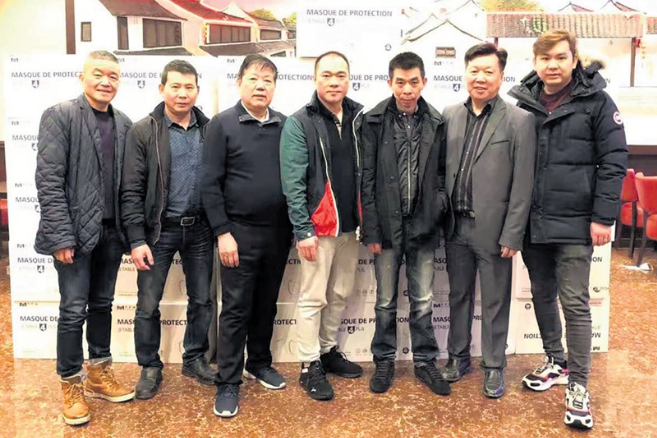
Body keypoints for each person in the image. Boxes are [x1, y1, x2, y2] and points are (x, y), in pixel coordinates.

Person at [509, 29, 628, 429]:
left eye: (561, 57)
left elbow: (614, 160)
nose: (553, 65)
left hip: (577, 223)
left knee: (574, 302)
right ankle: (555, 361)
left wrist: (603, 217)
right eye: (545, 58)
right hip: (534, 221)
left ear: (574, 60)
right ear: (535, 62)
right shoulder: (524, 102)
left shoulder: (597, 102)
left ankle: (578, 385)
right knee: (541, 294)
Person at [35, 51, 135, 425]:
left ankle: (99, 373)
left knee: (103, 304)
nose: (106, 81)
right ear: (83, 77)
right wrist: (61, 236)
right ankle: (70, 384)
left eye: (113, 76)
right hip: (74, 235)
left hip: (112, 233)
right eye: (98, 74)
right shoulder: (60, 115)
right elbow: (49, 180)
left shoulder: (124, 123)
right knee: (73, 310)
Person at [442, 42, 536, 398]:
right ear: (465, 73)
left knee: (495, 300)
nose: (480, 78)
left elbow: (523, 183)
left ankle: (494, 366)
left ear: (501, 75)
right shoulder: (450, 114)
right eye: (474, 71)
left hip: (495, 231)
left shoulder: (519, 120)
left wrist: (513, 233)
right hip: (456, 227)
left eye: (488, 71)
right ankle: (458, 357)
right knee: (458, 295)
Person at [202, 55, 292, 418]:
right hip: (237, 234)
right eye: (254, 78)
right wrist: (223, 232)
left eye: (268, 80)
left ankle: (259, 362)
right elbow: (210, 183)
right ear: (239, 82)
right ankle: (228, 381)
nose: (261, 86)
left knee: (266, 304)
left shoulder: (285, 124)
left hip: (278, 233)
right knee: (236, 308)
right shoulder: (222, 124)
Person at [121, 60, 215, 400]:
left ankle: (194, 358)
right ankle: (149, 365)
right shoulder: (144, 131)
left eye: (189, 87)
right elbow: (131, 189)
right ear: (162, 89)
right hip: (158, 232)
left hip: (200, 229)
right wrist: (136, 238)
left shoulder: (210, 129)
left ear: (197, 91)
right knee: (148, 304)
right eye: (175, 86)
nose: (182, 93)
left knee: (202, 299)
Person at [361, 51, 450, 396]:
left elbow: (441, 175)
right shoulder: (373, 121)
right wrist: (371, 228)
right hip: (385, 227)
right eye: (400, 82)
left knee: (423, 300)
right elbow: (367, 179)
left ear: (424, 82)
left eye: (414, 82)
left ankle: (425, 362)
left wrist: (437, 208)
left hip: (423, 225)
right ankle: (383, 360)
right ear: (390, 83)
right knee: (385, 300)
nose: (407, 89)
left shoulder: (437, 122)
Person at [279, 51, 364, 401]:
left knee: (340, 293)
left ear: (349, 79)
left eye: (340, 75)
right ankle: (308, 363)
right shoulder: (300, 122)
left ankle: (328, 351)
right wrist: (303, 230)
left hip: (351, 228)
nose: (334, 82)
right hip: (319, 228)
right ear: (315, 79)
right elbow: (293, 183)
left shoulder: (359, 118)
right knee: (313, 298)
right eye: (327, 75)